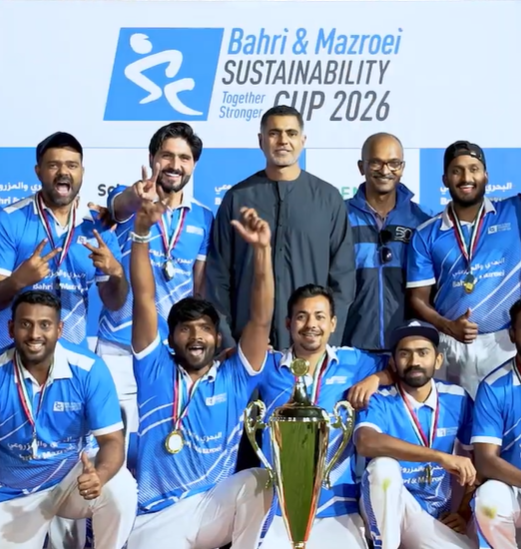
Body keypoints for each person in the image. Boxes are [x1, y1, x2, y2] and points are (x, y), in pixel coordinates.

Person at [126, 202, 274, 549]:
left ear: (218, 338)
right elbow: (144, 297)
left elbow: (261, 319)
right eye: (185, 329)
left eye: (205, 329)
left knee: (261, 480)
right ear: (170, 339)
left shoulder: (236, 376)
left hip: (211, 509)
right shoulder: (154, 369)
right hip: (155, 517)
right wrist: (141, 234)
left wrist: (263, 251)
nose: (196, 337)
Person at [94, 122, 213, 448]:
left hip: (168, 353)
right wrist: (138, 195)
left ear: (194, 164)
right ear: (152, 158)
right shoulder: (129, 199)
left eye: (184, 158)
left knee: (160, 446)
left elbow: (199, 288)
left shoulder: (203, 218)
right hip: (118, 347)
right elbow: (120, 205)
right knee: (110, 448)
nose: (175, 165)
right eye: (167, 156)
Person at [206, 104, 355, 351]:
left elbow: (343, 278)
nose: (283, 140)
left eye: (291, 133)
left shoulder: (329, 199)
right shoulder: (237, 198)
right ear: (261, 140)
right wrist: (228, 341)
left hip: (311, 347)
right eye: (274, 133)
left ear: (303, 140)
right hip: (248, 346)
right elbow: (217, 277)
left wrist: (326, 341)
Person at [257, 284, 393, 549]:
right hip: (276, 506)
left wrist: (376, 378)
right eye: (302, 316)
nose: (311, 324)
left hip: (337, 505)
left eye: (319, 316)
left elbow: (401, 366)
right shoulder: (268, 365)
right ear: (288, 323)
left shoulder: (353, 361)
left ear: (333, 323)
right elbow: (236, 366)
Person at [0, 290, 137, 549]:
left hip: (71, 478)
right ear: (11, 328)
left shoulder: (88, 369)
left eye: (45, 325)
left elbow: (112, 441)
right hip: (14, 490)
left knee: (120, 488)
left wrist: (100, 475)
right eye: (25, 324)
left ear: (60, 330)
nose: (35, 334)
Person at [406, 140, 520, 397]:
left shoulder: (514, 211)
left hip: (506, 341)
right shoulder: (426, 234)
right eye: (456, 171)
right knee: (453, 418)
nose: (466, 178)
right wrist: (448, 326)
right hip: (451, 345)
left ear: (486, 176)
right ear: (445, 179)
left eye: (474, 169)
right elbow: (417, 299)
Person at [0, 131, 127, 351]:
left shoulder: (98, 225)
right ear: (38, 171)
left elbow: (114, 303)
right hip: (14, 354)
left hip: (73, 356)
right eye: (53, 165)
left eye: (72, 165)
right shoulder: (9, 220)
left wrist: (116, 274)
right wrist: (18, 281)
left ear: (82, 172)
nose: (63, 172)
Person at [355, 320, 476, 549]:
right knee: (383, 468)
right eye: (405, 354)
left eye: (423, 352)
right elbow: (365, 441)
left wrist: (463, 512)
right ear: (393, 362)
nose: (414, 362)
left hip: (432, 516)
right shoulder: (380, 398)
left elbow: (477, 460)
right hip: (391, 505)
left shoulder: (457, 397)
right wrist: (439, 456)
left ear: (438, 360)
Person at [343, 132, 431, 351]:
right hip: (349, 349)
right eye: (376, 162)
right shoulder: (338, 217)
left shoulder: (424, 221)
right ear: (361, 167)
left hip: (407, 351)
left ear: (402, 167)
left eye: (393, 163)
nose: (385, 170)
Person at [471, 299, 521, 548]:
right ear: (512, 334)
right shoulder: (493, 387)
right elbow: (485, 461)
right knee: (489, 499)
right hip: (514, 486)